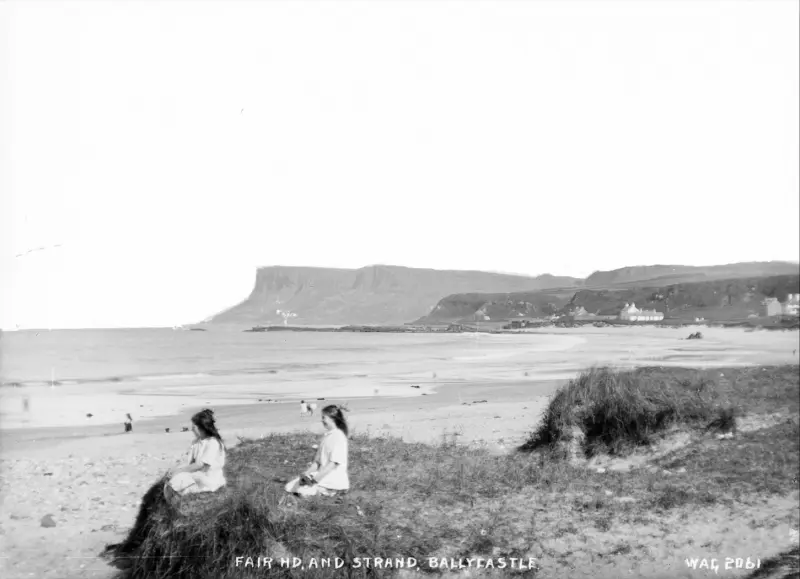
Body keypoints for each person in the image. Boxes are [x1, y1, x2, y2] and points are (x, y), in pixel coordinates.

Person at [285, 404, 349, 497]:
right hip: (322, 475)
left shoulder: (339, 437)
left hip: (333, 478)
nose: (322, 420)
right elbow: (317, 462)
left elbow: (333, 464)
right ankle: (317, 491)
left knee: (302, 492)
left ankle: (330, 493)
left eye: (324, 417)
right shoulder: (326, 436)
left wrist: (315, 480)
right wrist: (306, 474)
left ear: (332, 418)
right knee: (290, 486)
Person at [165, 408, 226, 498]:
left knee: (175, 483)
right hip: (197, 474)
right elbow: (188, 461)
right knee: (171, 481)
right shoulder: (196, 442)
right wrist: (175, 469)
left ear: (202, 428)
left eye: (194, 427)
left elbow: (200, 464)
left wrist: (179, 471)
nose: (192, 430)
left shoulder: (213, 443)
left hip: (208, 478)